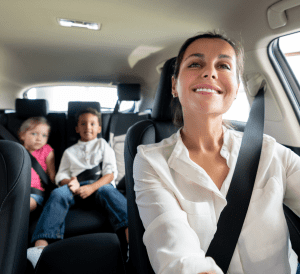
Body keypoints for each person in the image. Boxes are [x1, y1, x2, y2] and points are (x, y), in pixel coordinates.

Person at [133, 31, 300, 274]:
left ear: (235, 89)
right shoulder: (151, 161)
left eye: (223, 65)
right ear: (174, 86)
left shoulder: (270, 150)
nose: (209, 72)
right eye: (195, 64)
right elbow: (175, 250)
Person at [27, 107, 128, 268]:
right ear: (77, 128)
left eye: (93, 124)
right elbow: (60, 176)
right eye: (83, 123)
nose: (88, 127)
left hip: (99, 185)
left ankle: (131, 241)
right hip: (74, 187)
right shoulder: (69, 151)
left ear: (99, 128)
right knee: (58, 194)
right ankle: (40, 246)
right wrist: (70, 183)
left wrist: (92, 187)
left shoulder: (103, 145)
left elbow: (110, 174)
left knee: (110, 192)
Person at [19, 117, 55, 212]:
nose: (39, 138)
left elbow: (52, 175)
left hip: (34, 192)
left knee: (24, 205)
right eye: (34, 133)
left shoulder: (46, 150)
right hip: (14, 190)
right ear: (22, 135)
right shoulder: (16, 150)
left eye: (44, 135)